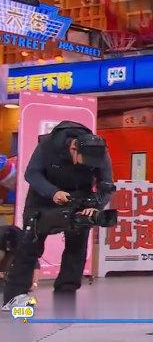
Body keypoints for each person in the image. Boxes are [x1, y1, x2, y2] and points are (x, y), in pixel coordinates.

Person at [2, 121, 113, 311]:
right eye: (83, 160)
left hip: (80, 197)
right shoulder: (48, 145)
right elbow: (32, 174)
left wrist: (95, 206)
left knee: (77, 245)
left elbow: (106, 185)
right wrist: (53, 192)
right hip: (43, 197)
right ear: (73, 148)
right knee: (30, 244)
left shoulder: (99, 152)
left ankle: (66, 291)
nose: (86, 165)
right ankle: (14, 296)